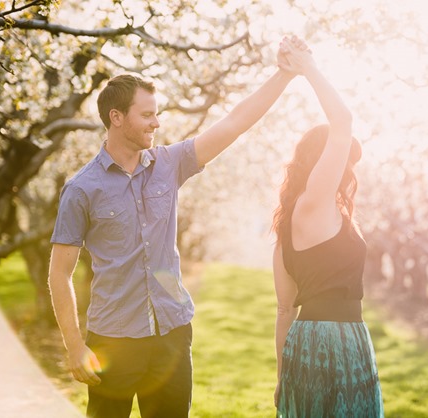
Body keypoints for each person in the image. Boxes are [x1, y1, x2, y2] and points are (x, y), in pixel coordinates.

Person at [48, 37, 308, 418]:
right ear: (116, 118)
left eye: (157, 114)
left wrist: (284, 75)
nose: (156, 123)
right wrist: (73, 346)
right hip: (112, 342)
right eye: (147, 115)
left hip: (172, 334)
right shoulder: (81, 189)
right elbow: (59, 273)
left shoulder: (170, 164)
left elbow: (234, 123)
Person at [271, 40, 384, 417]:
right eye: (343, 160)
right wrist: (309, 68)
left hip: (305, 343)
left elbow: (284, 310)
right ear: (321, 162)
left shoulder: (290, 223)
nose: (348, 169)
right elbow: (343, 123)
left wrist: (282, 377)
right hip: (336, 340)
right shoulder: (315, 200)